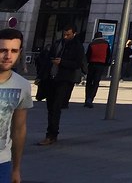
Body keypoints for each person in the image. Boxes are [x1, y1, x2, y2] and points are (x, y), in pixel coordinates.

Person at [37, 25, 83, 146]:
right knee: (50, 107)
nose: (66, 36)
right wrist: (41, 76)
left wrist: (62, 62)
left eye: (68, 34)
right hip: (51, 78)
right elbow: (47, 59)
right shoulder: (57, 43)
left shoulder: (77, 46)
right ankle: (51, 133)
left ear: (74, 33)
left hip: (64, 80)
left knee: (56, 107)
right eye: (64, 34)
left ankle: (51, 135)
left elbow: (78, 63)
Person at [0, 28, 32, 183]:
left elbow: (19, 129)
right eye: (3, 50)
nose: (8, 56)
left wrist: (16, 169)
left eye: (13, 51)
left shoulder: (22, 85)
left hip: (2, 163)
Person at [83, 32, 111, 107]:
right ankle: (91, 99)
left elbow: (88, 55)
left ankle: (87, 98)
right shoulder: (106, 44)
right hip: (101, 65)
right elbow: (108, 55)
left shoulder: (92, 44)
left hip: (92, 64)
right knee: (96, 82)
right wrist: (106, 64)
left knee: (89, 82)